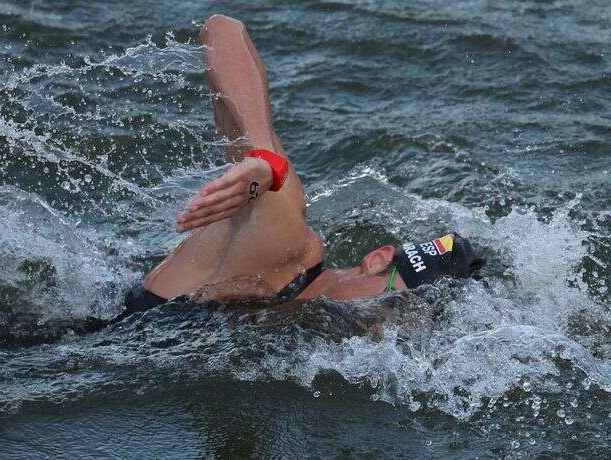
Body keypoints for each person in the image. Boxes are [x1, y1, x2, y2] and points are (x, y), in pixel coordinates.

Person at [117, 14, 483, 322]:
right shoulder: (286, 249)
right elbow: (222, 31)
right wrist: (266, 160)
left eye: (411, 319)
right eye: (395, 301)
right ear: (376, 260)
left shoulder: (293, 312)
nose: (385, 324)